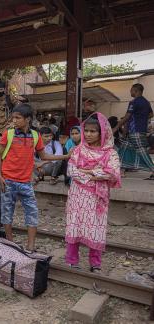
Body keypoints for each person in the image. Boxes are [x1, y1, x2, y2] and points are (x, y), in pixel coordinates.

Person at [0, 104, 70, 251]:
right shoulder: (9, 134)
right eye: (13, 118)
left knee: (32, 212)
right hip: (8, 180)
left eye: (18, 118)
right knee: (6, 213)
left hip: (26, 182)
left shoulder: (35, 136)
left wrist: (66, 156)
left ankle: (31, 246)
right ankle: (10, 242)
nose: (14, 121)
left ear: (27, 119)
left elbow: (43, 156)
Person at [65, 113, 121, 273]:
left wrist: (86, 171)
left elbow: (113, 173)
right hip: (77, 196)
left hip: (97, 199)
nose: (88, 135)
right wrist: (95, 173)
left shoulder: (110, 153)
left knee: (96, 228)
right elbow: (70, 170)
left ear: (102, 133)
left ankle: (95, 264)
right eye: (86, 131)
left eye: (93, 131)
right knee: (74, 225)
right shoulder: (78, 150)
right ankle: (71, 260)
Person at [114, 83, 154, 180]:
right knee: (124, 149)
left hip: (135, 130)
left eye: (131, 90)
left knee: (142, 151)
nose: (130, 92)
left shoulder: (134, 102)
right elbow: (151, 114)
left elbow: (127, 116)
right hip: (139, 129)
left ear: (136, 91)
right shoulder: (146, 102)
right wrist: (142, 118)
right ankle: (120, 170)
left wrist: (116, 126)